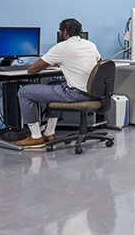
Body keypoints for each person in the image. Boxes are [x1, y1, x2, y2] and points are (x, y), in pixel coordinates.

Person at [15, 18, 101, 148]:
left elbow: (32, 70)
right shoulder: (91, 45)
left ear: (64, 32)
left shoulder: (61, 47)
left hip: (76, 94)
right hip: (94, 92)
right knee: (53, 83)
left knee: (24, 92)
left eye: (60, 31)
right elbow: (99, 62)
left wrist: (51, 62)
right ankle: (49, 133)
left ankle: (36, 137)